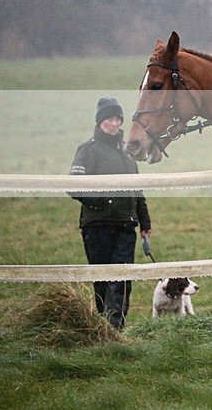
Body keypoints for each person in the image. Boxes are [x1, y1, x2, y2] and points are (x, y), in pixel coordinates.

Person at [68, 97, 152, 329]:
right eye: (109, 118)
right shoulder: (88, 150)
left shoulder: (127, 152)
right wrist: (102, 201)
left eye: (117, 119)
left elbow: (137, 189)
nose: (114, 123)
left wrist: (144, 221)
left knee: (123, 279)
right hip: (97, 226)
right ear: (100, 121)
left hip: (126, 226)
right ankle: (103, 326)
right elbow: (73, 185)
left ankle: (115, 328)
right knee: (103, 279)